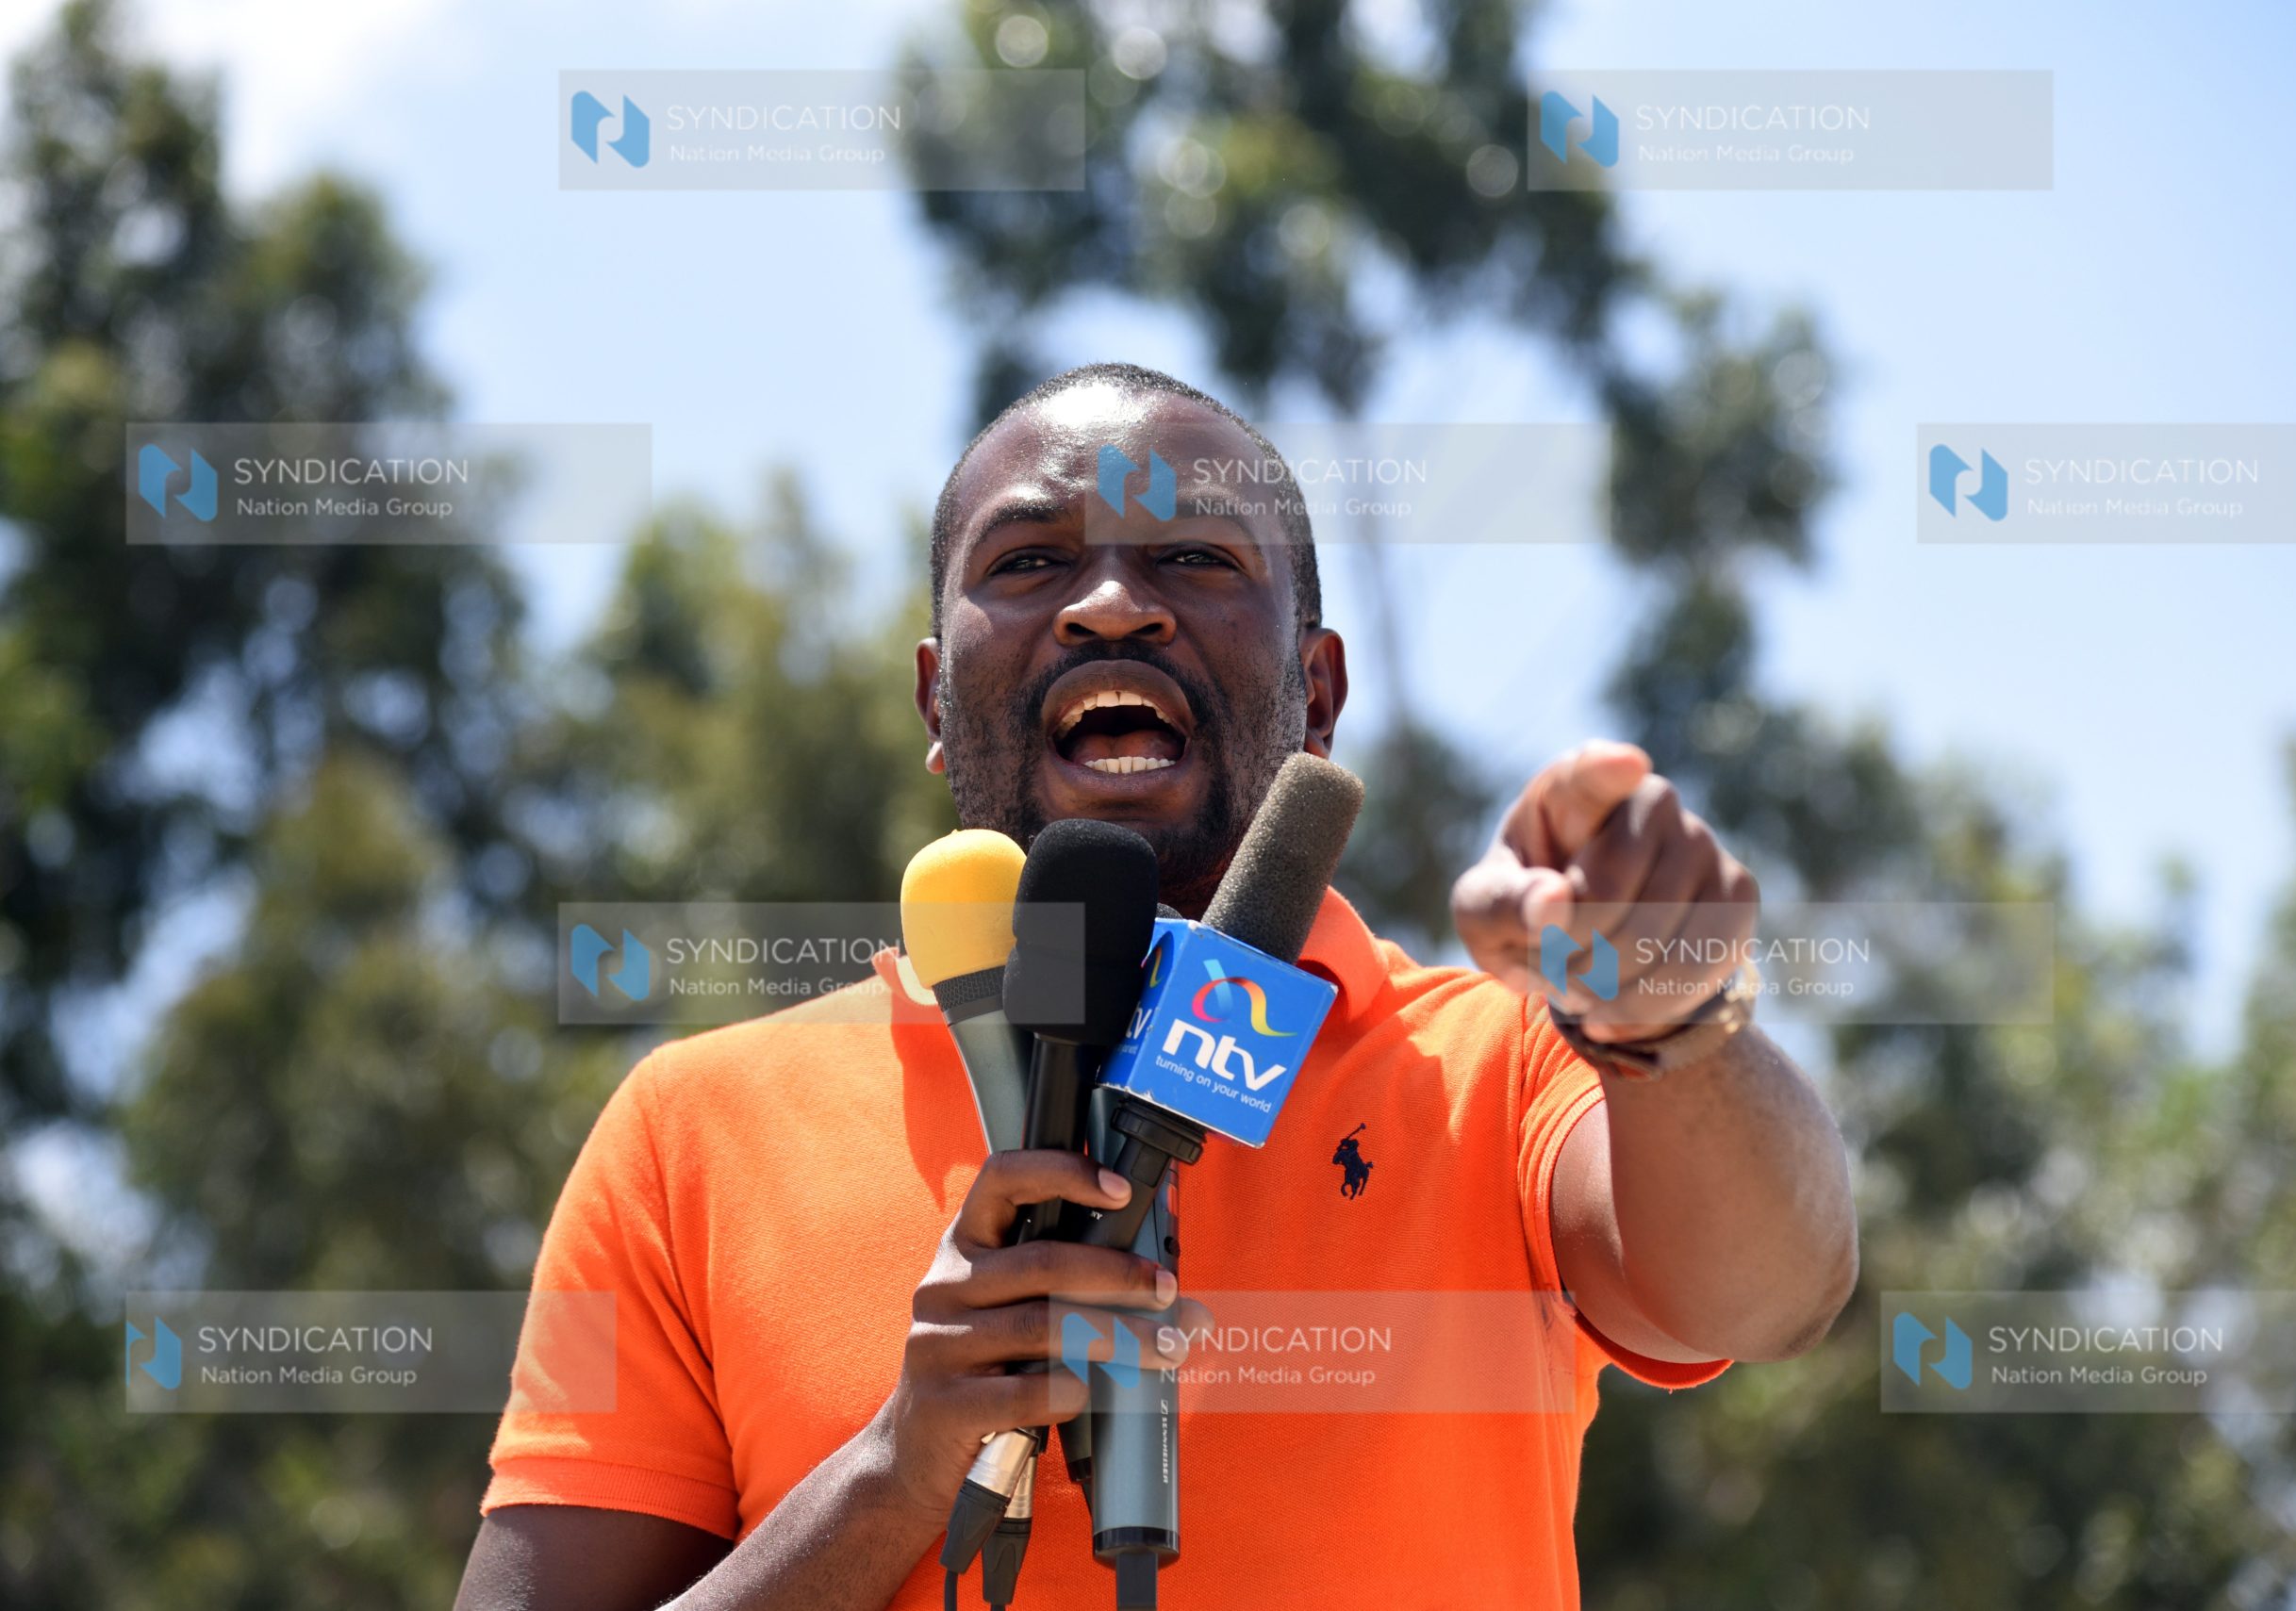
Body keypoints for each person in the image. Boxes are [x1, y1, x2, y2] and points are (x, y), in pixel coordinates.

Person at [453, 363, 1858, 1610]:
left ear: (1317, 691)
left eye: (1192, 554)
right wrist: (894, 1470)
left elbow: (1768, 1293)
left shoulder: (1497, 1068)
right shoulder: (688, 1132)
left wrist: (1674, 1023)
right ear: (938, 703)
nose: (1112, 605)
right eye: (1027, 562)